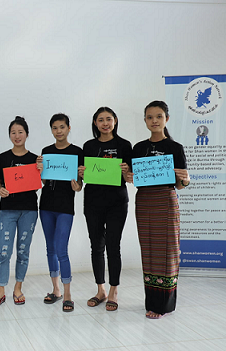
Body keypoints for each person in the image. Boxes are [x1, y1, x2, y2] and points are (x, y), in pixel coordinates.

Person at [127, 101, 189, 319]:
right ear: (145, 120)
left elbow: (180, 184)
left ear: (166, 119)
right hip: (144, 202)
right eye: (150, 117)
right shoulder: (138, 148)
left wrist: (186, 180)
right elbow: (134, 179)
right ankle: (151, 302)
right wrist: (128, 177)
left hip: (166, 200)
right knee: (150, 252)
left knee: (167, 252)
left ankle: (164, 305)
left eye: (159, 116)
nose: (154, 120)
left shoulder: (175, 148)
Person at [79, 107, 132, 311]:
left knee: (113, 245)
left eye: (109, 119)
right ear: (95, 123)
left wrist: (127, 171)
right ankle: (100, 290)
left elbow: (132, 177)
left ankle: (113, 290)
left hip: (117, 202)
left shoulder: (124, 145)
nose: (105, 123)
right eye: (100, 120)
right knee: (96, 245)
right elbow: (83, 176)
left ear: (115, 121)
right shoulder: (89, 146)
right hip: (92, 202)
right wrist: (81, 172)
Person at [0, 116, 39, 308]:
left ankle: (18, 288)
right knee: (3, 251)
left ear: (27, 134)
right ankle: (1, 290)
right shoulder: (3, 158)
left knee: (23, 251)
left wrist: (40, 171)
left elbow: (37, 184)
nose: (17, 136)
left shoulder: (35, 159)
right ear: (9, 135)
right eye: (13, 132)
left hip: (29, 211)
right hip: (8, 209)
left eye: (20, 132)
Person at [36, 113, 83, 312]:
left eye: (62, 127)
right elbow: (44, 181)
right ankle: (55, 290)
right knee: (50, 249)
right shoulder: (46, 151)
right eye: (55, 128)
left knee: (61, 249)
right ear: (52, 130)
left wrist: (77, 186)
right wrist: (39, 171)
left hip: (65, 207)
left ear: (69, 128)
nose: (59, 131)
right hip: (46, 205)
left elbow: (80, 184)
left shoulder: (77, 152)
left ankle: (68, 294)